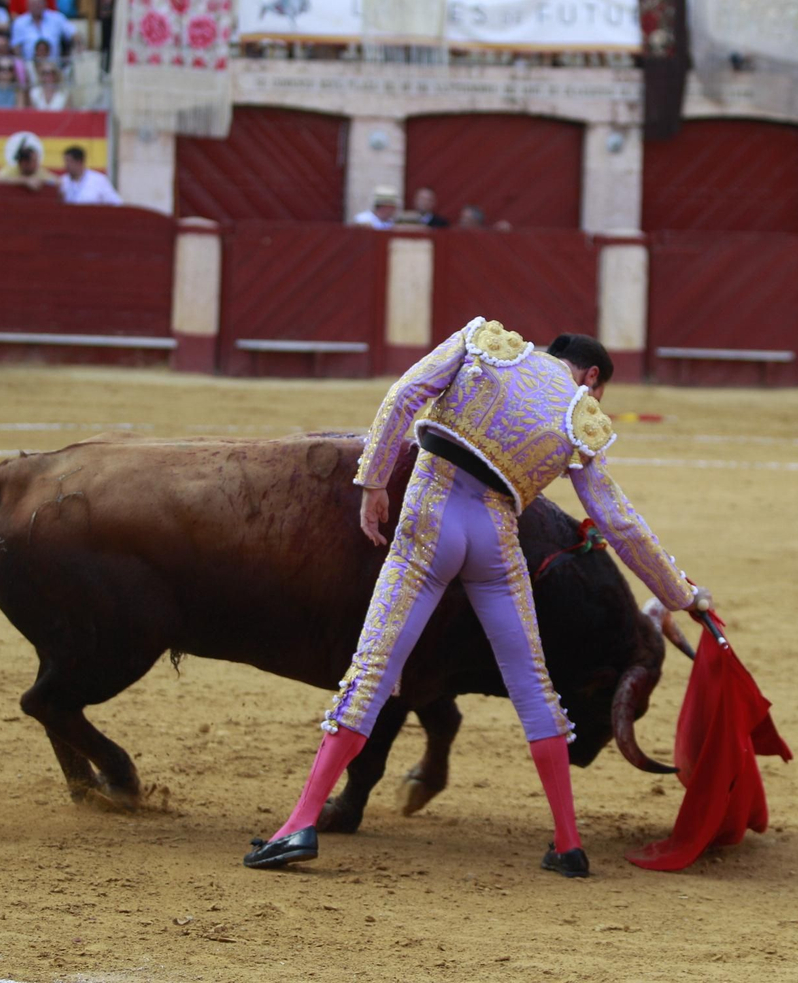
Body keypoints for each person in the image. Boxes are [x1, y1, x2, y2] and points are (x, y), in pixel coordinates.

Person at [243, 325, 711, 877]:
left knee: (373, 670)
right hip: (495, 536)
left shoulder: (485, 341)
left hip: (431, 510)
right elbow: (620, 522)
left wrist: (372, 481)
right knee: (534, 685)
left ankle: (299, 824)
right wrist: (683, 594)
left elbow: (405, 394)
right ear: (590, 377)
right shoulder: (579, 417)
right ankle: (566, 843)